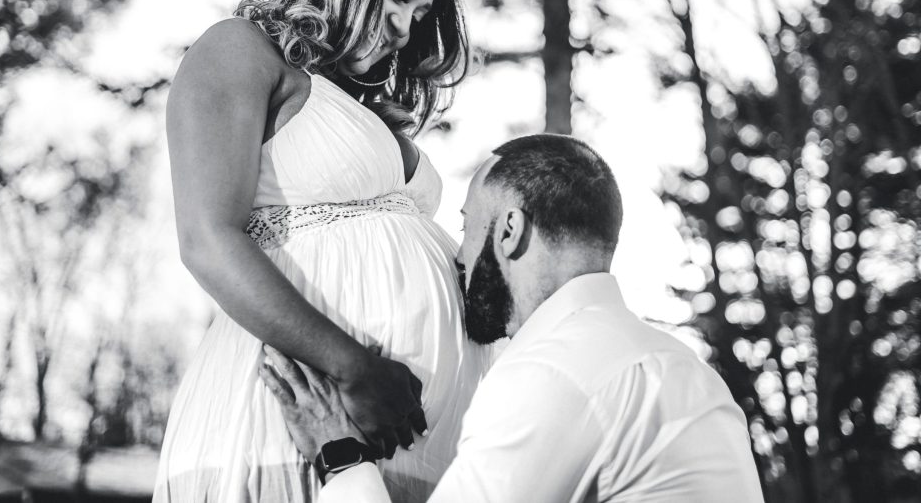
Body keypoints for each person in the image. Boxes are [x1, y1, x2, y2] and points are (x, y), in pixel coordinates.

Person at [153, 0, 489, 502]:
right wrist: (352, 367)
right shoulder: (241, 50)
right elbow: (207, 238)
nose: (406, 27)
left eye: (420, 11)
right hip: (292, 422)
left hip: (412, 450)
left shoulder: (362, 111)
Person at [261, 134, 766, 502]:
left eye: (467, 227)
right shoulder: (686, 371)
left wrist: (341, 454)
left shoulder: (555, 372)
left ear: (509, 231)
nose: (458, 257)